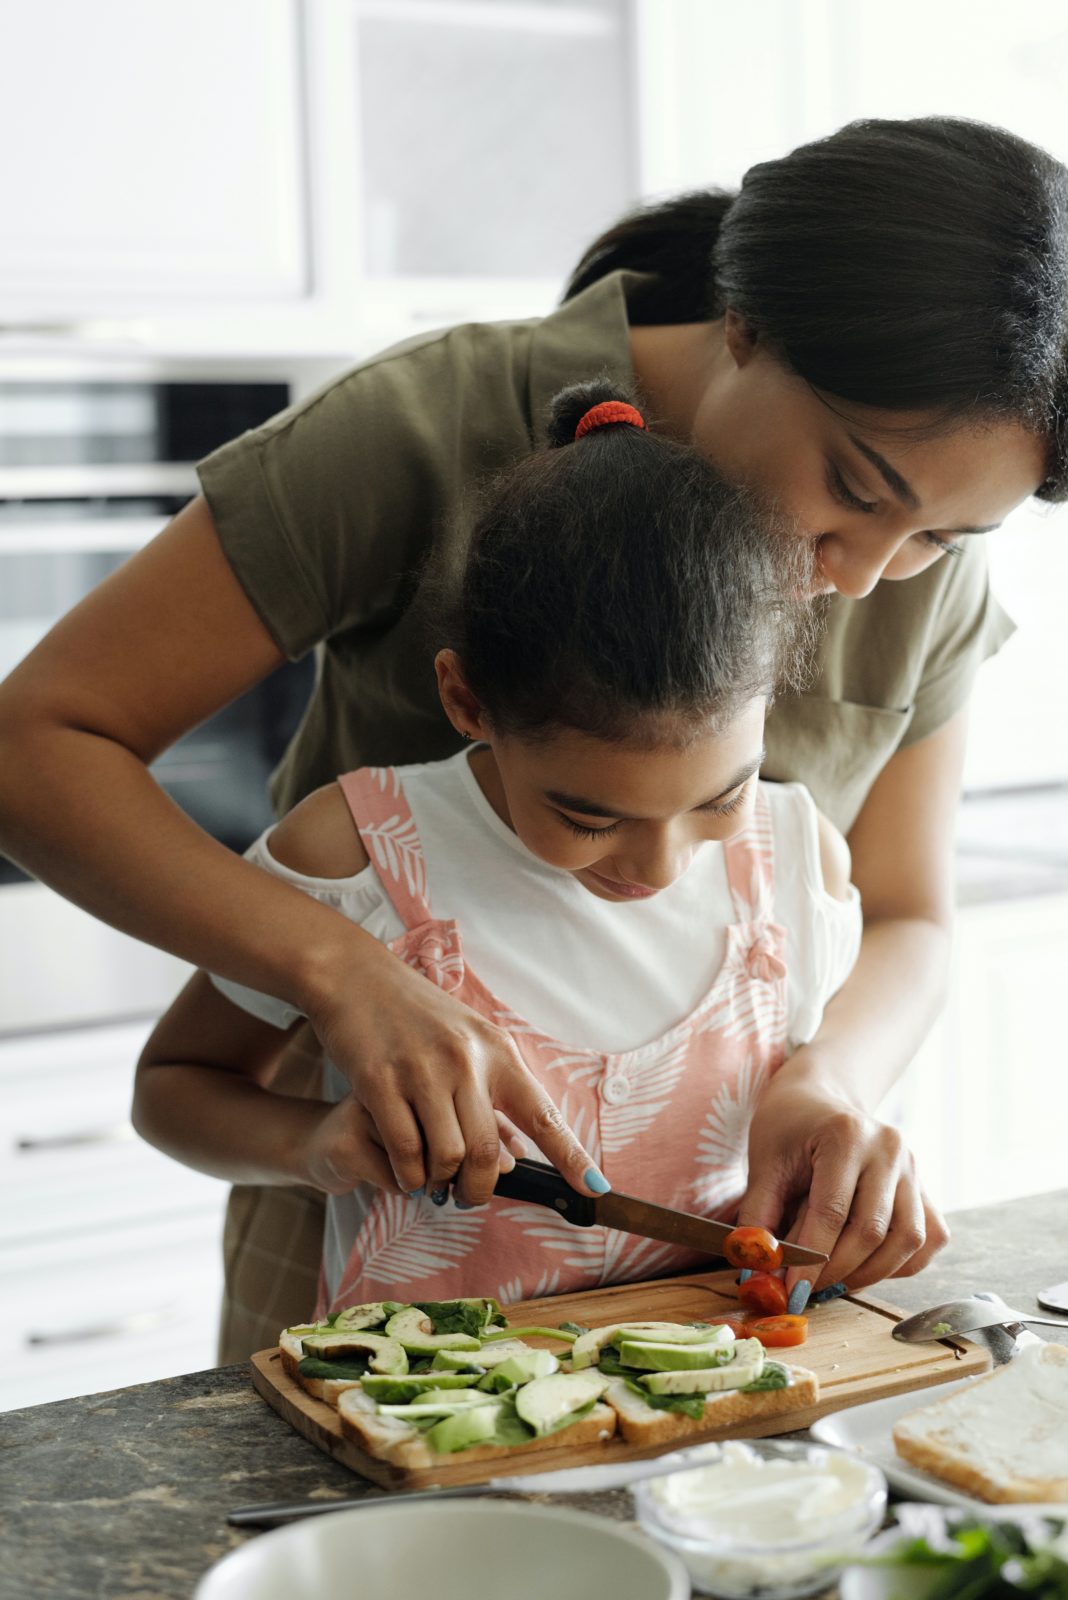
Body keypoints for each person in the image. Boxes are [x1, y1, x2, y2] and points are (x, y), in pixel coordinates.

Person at [0, 115, 1063, 1357]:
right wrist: (340, 970)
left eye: (945, 538)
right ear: (746, 325)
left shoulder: (907, 572)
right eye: (858, 487)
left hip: (707, 1299)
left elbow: (907, 915)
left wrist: (831, 1081)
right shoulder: (427, 424)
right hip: (375, 1260)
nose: (872, 575)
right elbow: (38, 742)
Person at [133, 382, 879, 1315]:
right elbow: (172, 1088)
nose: (656, 868)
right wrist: (313, 1144)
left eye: (719, 798)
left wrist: (846, 1156)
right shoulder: (360, 854)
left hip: (709, 1434)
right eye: (591, 817)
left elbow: (815, 1106)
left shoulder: (798, 866)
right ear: (468, 702)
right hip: (428, 1433)